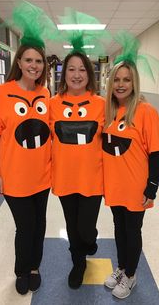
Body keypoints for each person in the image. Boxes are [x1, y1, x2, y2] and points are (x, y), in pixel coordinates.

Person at [0, 1, 55, 295]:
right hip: (14, 178)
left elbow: (51, 133)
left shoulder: (46, 93)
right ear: (19, 62)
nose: (34, 66)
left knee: (39, 226)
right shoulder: (1, 93)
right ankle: (21, 269)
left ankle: (34, 266)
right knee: (25, 227)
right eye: (29, 60)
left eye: (39, 62)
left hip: (43, 176)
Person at [102, 58, 159, 299]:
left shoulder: (146, 111)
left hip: (136, 186)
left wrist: (152, 187)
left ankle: (131, 274)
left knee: (132, 230)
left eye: (126, 79)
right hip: (115, 185)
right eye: (116, 79)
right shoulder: (110, 111)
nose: (121, 84)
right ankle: (122, 267)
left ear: (134, 82)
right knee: (119, 228)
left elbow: (155, 152)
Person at [50, 51, 105, 289]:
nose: (76, 74)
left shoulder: (102, 104)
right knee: (72, 225)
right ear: (64, 73)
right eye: (71, 69)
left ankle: (89, 239)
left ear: (89, 74)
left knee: (85, 228)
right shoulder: (52, 104)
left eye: (82, 69)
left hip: (93, 179)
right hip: (64, 178)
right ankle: (78, 263)